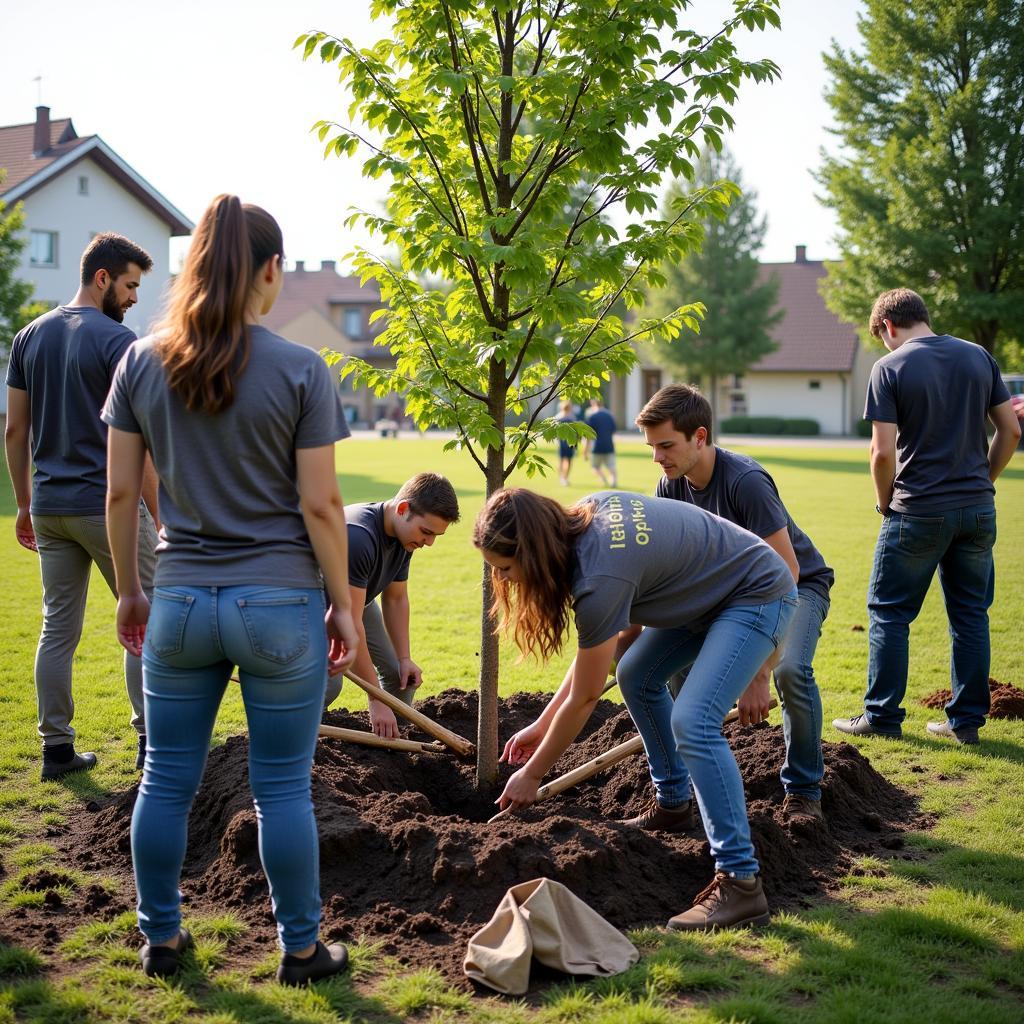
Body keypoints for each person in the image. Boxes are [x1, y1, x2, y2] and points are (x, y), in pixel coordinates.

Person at [102, 195, 359, 984]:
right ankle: (302, 949)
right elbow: (320, 505)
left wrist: (128, 592)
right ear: (270, 272)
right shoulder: (301, 368)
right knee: (283, 789)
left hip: (178, 600)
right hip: (279, 606)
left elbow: (119, 495)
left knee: (164, 779)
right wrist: (344, 602)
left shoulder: (142, 360)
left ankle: (162, 940)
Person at [475, 488, 797, 931]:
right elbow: (601, 654)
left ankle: (741, 882)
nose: (504, 580)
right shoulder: (586, 517)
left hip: (756, 594)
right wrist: (542, 723)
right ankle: (673, 803)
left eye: (506, 569)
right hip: (710, 597)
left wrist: (533, 775)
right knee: (635, 675)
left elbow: (587, 695)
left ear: (532, 552)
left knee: (694, 721)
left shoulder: (600, 576)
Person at [635, 384, 834, 824]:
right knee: (666, 668)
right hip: (729, 598)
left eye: (666, 445)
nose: (657, 458)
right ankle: (687, 791)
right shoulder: (670, 487)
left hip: (797, 587)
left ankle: (804, 790)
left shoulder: (744, 482)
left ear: (700, 437)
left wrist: (758, 672)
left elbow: (787, 574)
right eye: (651, 447)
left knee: (790, 671)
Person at [834, 288, 1020, 744]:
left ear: (888, 327)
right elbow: (1011, 430)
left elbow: (881, 453)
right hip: (977, 510)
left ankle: (881, 716)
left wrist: (884, 501)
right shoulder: (979, 357)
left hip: (916, 510)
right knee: (971, 616)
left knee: (890, 614)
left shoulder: (889, 367)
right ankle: (966, 724)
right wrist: (985, 481)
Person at [4, 233, 159, 780]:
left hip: (48, 507)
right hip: (106, 507)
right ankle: (150, 744)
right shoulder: (118, 342)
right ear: (103, 278)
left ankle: (56, 751)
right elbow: (140, 449)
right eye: (131, 285)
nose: (135, 297)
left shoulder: (26, 337)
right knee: (148, 621)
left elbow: (14, 430)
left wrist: (25, 504)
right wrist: (159, 517)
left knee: (56, 629)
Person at [323, 473, 460, 736]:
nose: (429, 543)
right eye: (426, 532)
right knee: (329, 685)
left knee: (402, 677)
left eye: (435, 536)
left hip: (354, 605)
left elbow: (396, 598)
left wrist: (404, 658)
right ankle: (295, 749)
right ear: (403, 509)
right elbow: (348, 623)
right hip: (311, 607)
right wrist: (376, 698)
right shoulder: (358, 536)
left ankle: (389, 747)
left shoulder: (404, 539)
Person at [583, 397, 617, 486]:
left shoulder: (592, 417)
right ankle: (613, 481)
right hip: (609, 445)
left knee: (595, 466)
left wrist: (585, 451)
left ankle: (604, 479)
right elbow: (613, 431)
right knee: (611, 466)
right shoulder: (610, 415)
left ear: (593, 404)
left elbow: (588, 436)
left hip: (596, 446)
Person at [555, 400, 578, 486]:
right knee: (568, 461)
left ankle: (562, 477)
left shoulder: (558, 417)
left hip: (562, 442)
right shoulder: (572, 418)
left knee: (562, 460)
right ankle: (564, 477)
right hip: (569, 442)